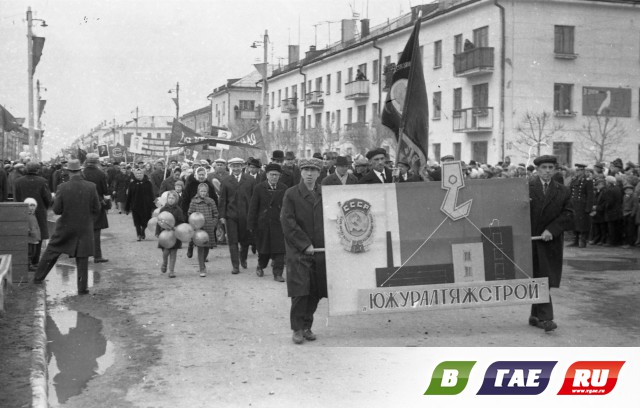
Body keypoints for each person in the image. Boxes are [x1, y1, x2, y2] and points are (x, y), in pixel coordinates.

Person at [33, 159, 101, 295]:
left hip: (66, 226)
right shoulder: (91, 186)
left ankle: (38, 278)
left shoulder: (62, 187)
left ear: (68, 172)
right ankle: (82, 288)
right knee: (82, 256)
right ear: (80, 171)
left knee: (52, 250)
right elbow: (97, 208)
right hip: (84, 226)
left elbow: (57, 210)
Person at [280, 158, 327, 344]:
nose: (309, 173)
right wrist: (304, 244)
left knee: (315, 291)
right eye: (306, 169)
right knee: (300, 291)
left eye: (313, 170)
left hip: (320, 250)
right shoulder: (291, 194)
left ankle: (307, 326)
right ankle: (297, 328)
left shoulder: (324, 193)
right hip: (299, 251)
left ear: (319, 173)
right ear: (300, 172)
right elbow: (287, 221)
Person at [528, 155, 573, 332]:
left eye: (550, 167)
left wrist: (551, 230)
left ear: (555, 170)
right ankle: (542, 317)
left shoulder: (563, 191)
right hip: (531, 239)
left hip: (550, 241)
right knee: (537, 277)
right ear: (537, 169)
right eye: (544, 167)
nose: (547, 171)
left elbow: (568, 214)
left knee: (544, 277)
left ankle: (539, 316)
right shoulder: (526, 187)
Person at [247, 163, 287, 282]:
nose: (274, 177)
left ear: (279, 176)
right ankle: (261, 265)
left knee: (280, 249)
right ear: (267, 175)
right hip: (263, 224)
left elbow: (287, 207)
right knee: (264, 250)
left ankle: (278, 273)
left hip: (279, 224)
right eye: (272, 174)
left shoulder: (284, 188)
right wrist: (251, 224)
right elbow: (253, 207)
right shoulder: (259, 188)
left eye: (276, 175)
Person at [219, 157, 256, 274]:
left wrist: (253, 215)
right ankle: (235, 266)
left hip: (246, 215)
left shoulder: (250, 180)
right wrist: (222, 216)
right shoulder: (226, 181)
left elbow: (254, 199)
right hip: (231, 216)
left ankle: (243, 258)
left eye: (238, 166)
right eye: (233, 166)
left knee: (245, 240)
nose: (236, 168)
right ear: (230, 167)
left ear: (242, 167)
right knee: (233, 241)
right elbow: (223, 199)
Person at [13, 162, 53, 268]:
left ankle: (25, 260)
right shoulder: (42, 181)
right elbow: (48, 199)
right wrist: (45, 206)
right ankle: (35, 261)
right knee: (38, 236)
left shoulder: (18, 181)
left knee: (25, 234)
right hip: (39, 212)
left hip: (22, 211)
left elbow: (16, 198)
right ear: (37, 170)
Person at [183, 167, 218, 257]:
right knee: (193, 232)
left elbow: (214, 199)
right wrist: (186, 214)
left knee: (205, 235)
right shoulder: (190, 185)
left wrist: (214, 218)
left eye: (203, 174)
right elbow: (185, 199)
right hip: (194, 213)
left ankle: (203, 256)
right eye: (200, 175)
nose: (201, 176)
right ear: (196, 175)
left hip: (207, 214)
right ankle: (191, 246)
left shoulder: (209, 185)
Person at [82, 153, 110, 263]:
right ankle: (97, 256)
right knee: (96, 231)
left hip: (83, 204)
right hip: (97, 203)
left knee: (83, 231)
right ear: (97, 161)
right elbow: (105, 190)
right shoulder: (100, 173)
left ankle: (83, 255)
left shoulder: (82, 173)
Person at [188, 183, 219, 277]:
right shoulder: (194, 202)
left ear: (207, 192)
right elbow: (190, 213)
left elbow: (216, 214)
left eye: (205, 191)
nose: (203, 193)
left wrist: (213, 223)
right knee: (200, 247)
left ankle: (203, 262)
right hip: (199, 229)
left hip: (209, 227)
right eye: (201, 191)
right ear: (198, 191)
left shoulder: (211, 201)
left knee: (207, 247)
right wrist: (194, 223)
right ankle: (202, 267)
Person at [155, 190, 185, 278]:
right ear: (167, 199)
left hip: (175, 234)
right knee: (166, 251)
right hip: (164, 234)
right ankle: (164, 263)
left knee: (173, 252)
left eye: (173, 198)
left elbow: (181, 221)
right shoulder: (163, 209)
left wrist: (177, 228)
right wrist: (157, 232)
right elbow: (159, 221)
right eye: (169, 198)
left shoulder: (178, 210)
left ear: (176, 199)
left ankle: (171, 271)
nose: (171, 200)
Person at [567, 163, 594, 248]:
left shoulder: (588, 181)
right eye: (577, 170)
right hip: (574, 204)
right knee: (574, 223)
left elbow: (590, 195)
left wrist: (588, 208)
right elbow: (570, 192)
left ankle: (582, 240)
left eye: (580, 170)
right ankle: (575, 240)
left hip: (582, 205)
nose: (578, 172)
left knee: (582, 224)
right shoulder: (574, 180)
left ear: (583, 171)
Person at [125, 168, 156, 241]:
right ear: (135, 175)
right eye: (137, 173)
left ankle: (143, 231)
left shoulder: (148, 183)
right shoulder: (132, 184)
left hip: (146, 206)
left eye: (140, 173)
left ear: (143, 174)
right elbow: (129, 196)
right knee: (137, 222)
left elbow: (152, 194)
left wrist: (154, 205)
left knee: (146, 221)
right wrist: (127, 208)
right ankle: (138, 234)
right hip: (135, 206)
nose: (139, 175)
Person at [24, 198, 41, 272]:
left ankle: (30, 264)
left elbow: (36, 225)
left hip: (34, 237)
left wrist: (38, 235)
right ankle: (28, 265)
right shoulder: (25, 215)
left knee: (33, 252)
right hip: (29, 237)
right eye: (30, 205)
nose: (32, 207)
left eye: (34, 206)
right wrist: (28, 230)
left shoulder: (33, 215)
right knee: (29, 252)